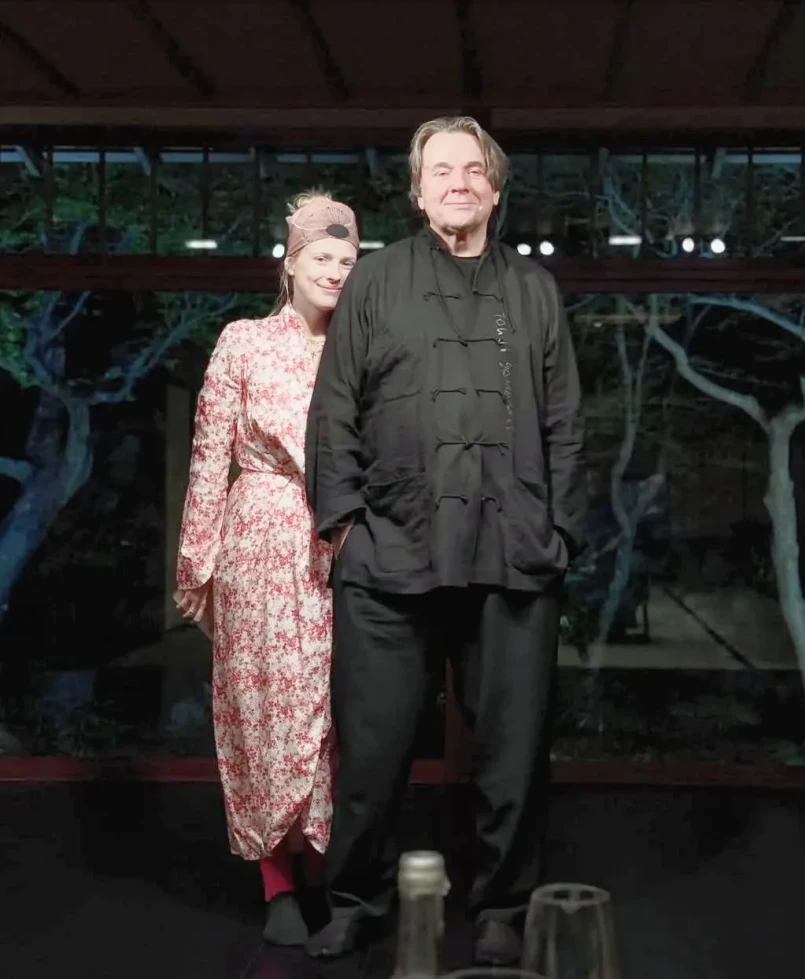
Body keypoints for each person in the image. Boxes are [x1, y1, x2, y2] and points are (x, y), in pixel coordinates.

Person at [304, 117, 586, 964]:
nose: (458, 182)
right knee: (373, 750)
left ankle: (501, 905)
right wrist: (345, 525)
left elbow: (566, 421)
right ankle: (355, 898)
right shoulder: (376, 280)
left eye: (473, 170)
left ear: (495, 191)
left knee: (513, 755)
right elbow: (334, 410)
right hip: (390, 551)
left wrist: (560, 530)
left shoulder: (534, 291)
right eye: (440, 170)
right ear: (418, 192)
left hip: (513, 553)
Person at [173, 191, 360, 946]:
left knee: (330, 711)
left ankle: (322, 870)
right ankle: (277, 880)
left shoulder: (360, 349)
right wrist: (198, 565)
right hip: (256, 537)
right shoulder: (243, 342)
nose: (336, 272)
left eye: (348, 260)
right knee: (260, 708)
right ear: (291, 262)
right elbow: (207, 455)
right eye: (323, 257)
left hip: (339, 543)